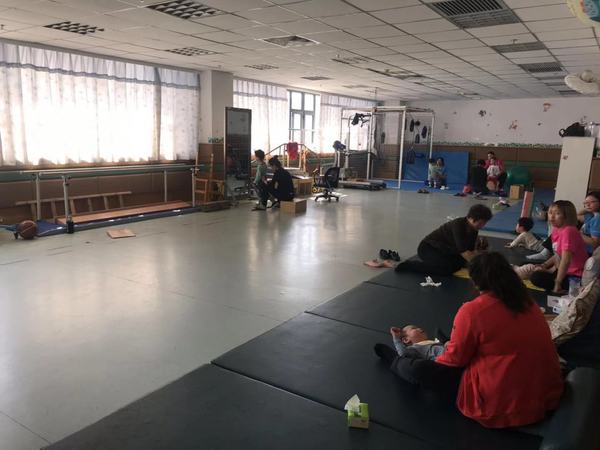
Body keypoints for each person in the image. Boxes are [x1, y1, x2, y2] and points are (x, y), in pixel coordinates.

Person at [377, 252, 564, 428]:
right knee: (459, 344)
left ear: (476, 281)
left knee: (419, 369)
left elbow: (454, 360)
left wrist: (438, 356)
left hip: (503, 403)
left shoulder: (472, 311)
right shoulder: (527, 301)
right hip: (545, 393)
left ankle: (397, 360)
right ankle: (441, 344)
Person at [395, 204, 492, 275]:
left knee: (458, 264)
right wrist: (482, 268)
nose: (482, 226)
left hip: (446, 250)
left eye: (484, 223)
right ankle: (409, 265)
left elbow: (470, 252)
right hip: (428, 248)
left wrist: (480, 252)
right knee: (446, 269)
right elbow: (465, 253)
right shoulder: (458, 225)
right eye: (481, 223)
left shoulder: (474, 229)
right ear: (472, 219)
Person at [530, 200, 588, 293]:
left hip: (574, 276)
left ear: (567, 216)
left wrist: (558, 282)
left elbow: (566, 260)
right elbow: (558, 255)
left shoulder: (569, 231)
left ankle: (565, 289)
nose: (552, 217)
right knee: (530, 266)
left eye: (557, 213)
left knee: (536, 277)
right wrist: (545, 266)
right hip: (562, 270)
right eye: (550, 213)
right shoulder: (556, 230)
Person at [375, 325, 446, 362]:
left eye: (418, 327)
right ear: (406, 339)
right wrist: (396, 338)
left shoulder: (433, 341)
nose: (419, 328)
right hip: (444, 360)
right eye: (414, 328)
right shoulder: (415, 348)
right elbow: (404, 353)